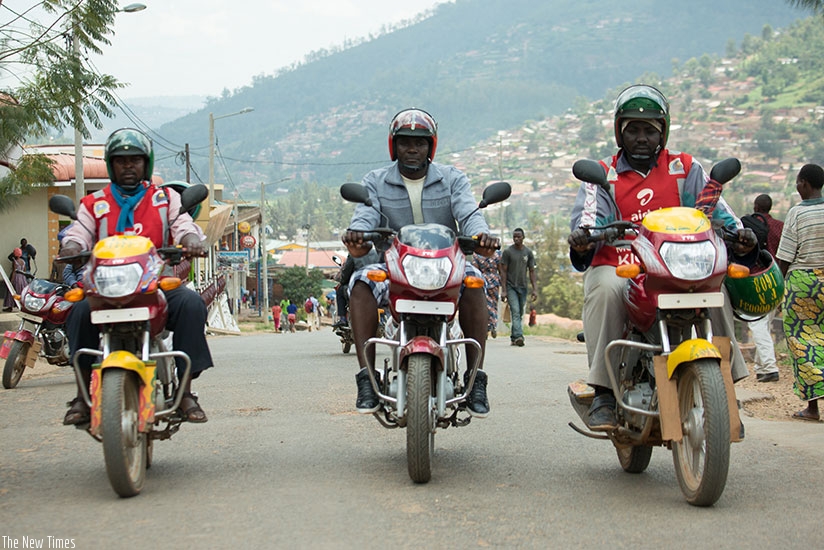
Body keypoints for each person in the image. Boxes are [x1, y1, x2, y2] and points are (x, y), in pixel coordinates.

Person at [567, 84, 757, 431]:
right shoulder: (603, 174)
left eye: (650, 130)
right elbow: (588, 218)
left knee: (717, 291)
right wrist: (584, 237)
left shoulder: (684, 167)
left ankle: (725, 388)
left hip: (678, 264)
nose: (642, 138)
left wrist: (740, 234)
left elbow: (718, 211)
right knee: (606, 290)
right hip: (621, 264)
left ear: (662, 133)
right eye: (634, 130)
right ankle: (603, 392)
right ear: (620, 133)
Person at [342, 108, 499, 417]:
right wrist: (358, 235)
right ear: (394, 146)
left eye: (420, 142)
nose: (412, 149)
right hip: (392, 267)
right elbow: (365, 214)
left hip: (446, 266)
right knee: (360, 283)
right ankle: (366, 378)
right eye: (404, 142)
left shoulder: (452, 178)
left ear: (431, 146)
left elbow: (469, 214)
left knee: (474, 282)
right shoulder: (375, 182)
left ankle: (475, 376)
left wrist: (482, 236)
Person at [59, 128, 213, 426]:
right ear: (110, 165)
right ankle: (81, 394)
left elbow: (182, 225)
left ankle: (185, 392)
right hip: (104, 289)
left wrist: (192, 239)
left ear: (147, 164)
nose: (128, 166)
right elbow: (78, 232)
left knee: (191, 305)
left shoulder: (165, 198)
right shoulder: (94, 204)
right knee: (76, 311)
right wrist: (72, 245)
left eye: (135, 160)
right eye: (120, 161)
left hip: (154, 285)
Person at [775, 163, 824, 422]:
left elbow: (784, 257)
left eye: (797, 182)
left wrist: (777, 289)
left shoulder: (796, 214)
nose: (797, 186)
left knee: (803, 341)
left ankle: (813, 408)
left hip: (804, 284)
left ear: (804, 183)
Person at [748, 194, 784, 383]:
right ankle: (761, 368)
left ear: (756, 207)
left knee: (757, 324)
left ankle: (770, 367)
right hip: (777, 280)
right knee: (766, 322)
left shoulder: (749, 226)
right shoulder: (780, 226)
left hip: (757, 280)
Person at [500, 228, 537, 347]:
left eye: (519, 237)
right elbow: (503, 272)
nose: (516, 239)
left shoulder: (528, 253)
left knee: (520, 312)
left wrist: (534, 289)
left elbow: (531, 271)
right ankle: (519, 336)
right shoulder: (508, 252)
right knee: (515, 311)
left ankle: (513, 337)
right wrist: (504, 290)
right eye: (514, 237)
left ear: (523, 237)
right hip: (511, 287)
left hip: (523, 287)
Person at [472, 248, 502, 338]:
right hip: (494, 281)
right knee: (493, 305)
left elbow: (475, 269)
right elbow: (500, 269)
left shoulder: (477, 255)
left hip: (482, 280)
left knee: (483, 305)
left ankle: (485, 328)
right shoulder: (497, 254)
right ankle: (493, 325)